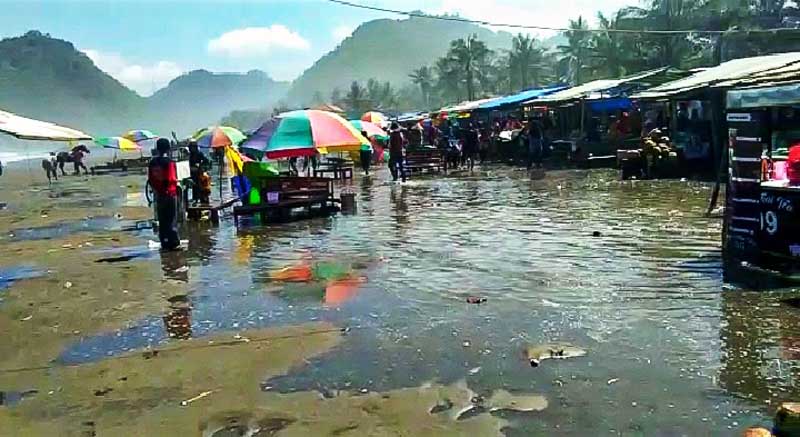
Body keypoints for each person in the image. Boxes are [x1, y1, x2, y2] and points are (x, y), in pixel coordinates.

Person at [148, 138, 181, 251]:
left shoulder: (152, 163)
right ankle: (174, 244)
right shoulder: (169, 162)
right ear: (168, 148)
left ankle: (164, 242)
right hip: (170, 194)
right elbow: (171, 178)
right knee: (171, 219)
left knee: (162, 220)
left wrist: (157, 189)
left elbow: (151, 180)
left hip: (159, 195)